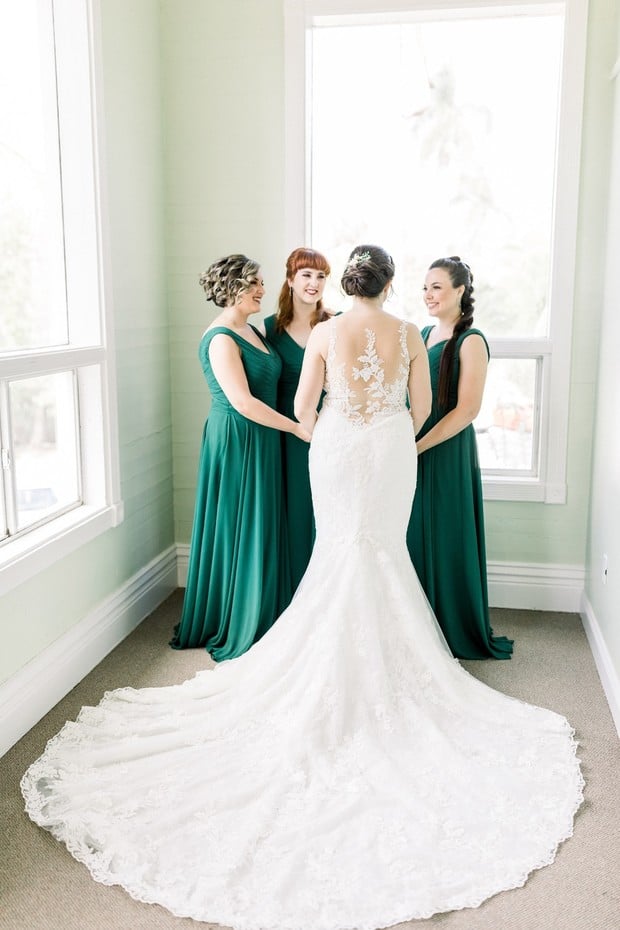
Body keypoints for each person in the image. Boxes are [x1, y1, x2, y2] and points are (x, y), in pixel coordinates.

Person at [21, 246, 582, 930]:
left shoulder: (323, 331)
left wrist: (331, 432)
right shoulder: (409, 333)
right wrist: (390, 433)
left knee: (340, 553)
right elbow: (423, 405)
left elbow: (300, 403)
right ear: (392, 284)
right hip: (391, 451)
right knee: (382, 553)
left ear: (346, 284)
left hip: (341, 450)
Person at [169, 254, 310, 661]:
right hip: (238, 439)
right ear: (231, 287)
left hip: (263, 438)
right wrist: (296, 428)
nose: (263, 290)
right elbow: (243, 402)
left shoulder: (251, 329)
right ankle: (239, 614)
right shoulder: (220, 338)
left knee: (261, 522)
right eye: (254, 283)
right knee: (240, 523)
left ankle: (264, 603)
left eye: (262, 282)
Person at [407, 255, 514, 660]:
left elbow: (468, 409)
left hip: (446, 448)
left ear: (459, 291)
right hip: (414, 442)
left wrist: (420, 445)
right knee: (413, 529)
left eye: (436, 286)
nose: (428, 294)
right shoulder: (422, 333)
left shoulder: (471, 340)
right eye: (425, 287)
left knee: (446, 530)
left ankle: (450, 626)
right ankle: (417, 623)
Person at [263, 247, 333, 591]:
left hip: (328, 431)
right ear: (290, 280)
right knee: (292, 513)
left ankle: (322, 592)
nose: (314, 283)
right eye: (306, 275)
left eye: (321, 276)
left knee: (326, 512)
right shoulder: (267, 330)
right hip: (286, 436)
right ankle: (289, 594)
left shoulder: (336, 324)